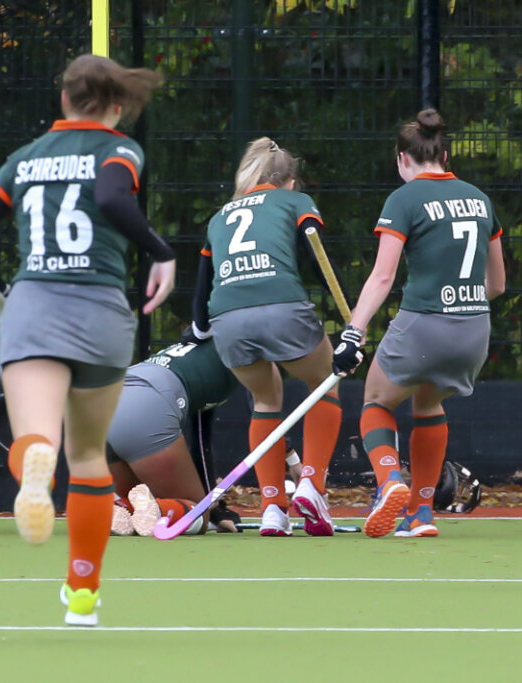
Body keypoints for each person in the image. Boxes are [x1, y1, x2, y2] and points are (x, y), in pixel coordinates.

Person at [0, 54, 175, 626]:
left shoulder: (26, 157)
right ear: (117, 106)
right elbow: (112, 198)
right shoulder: (120, 149)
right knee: (89, 455)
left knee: (37, 435)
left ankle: (35, 463)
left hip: (33, 308)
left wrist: (5, 292)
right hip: (101, 312)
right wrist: (160, 251)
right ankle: (82, 593)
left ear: (64, 101)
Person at [332, 109, 505, 538]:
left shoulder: (404, 199)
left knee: (376, 401)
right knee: (428, 405)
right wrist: (460, 304)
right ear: (445, 155)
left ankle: (391, 481)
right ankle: (421, 514)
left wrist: (354, 331)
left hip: (424, 324)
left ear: (402, 159)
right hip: (473, 330)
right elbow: (498, 284)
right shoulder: (480, 199)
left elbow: (383, 276)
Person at [191, 137, 349, 538]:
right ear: (289, 181)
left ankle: (272, 509)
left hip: (227, 319)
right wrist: (349, 314)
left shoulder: (219, 216)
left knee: (265, 400)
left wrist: (200, 328)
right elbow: (316, 254)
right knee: (324, 382)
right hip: (282, 307)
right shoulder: (295, 201)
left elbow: (202, 285)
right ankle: (312, 484)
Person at [105, 333, 240, 536]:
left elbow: (200, 440)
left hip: (104, 405)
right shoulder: (239, 352)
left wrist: (214, 504)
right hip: (145, 408)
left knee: (138, 500)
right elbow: (201, 442)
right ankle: (158, 511)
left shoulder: (198, 348)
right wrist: (212, 509)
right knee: (197, 515)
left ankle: (115, 507)